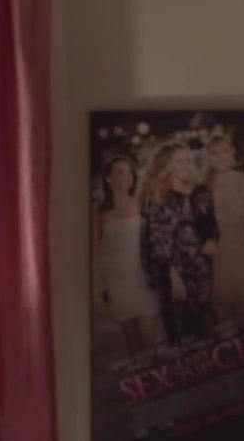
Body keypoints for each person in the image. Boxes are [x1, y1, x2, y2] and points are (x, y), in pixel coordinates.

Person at [139, 141, 218, 346]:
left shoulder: (201, 193)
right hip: (176, 276)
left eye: (188, 160)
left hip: (204, 272)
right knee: (185, 340)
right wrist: (174, 278)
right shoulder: (159, 200)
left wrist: (211, 239)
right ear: (167, 166)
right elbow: (158, 244)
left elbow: (212, 226)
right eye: (179, 161)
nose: (186, 165)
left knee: (207, 334)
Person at [92, 154, 155, 358]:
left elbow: (154, 241)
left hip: (142, 277)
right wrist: (99, 287)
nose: (125, 177)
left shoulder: (142, 203)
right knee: (133, 345)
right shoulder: (100, 213)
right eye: (119, 172)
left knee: (149, 340)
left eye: (129, 172)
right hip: (117, 281)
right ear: (108, 178)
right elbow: (95, 252)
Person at [203, 132, 244, 325]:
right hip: (213, 263)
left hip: (241, 257)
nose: (221, 157)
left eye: (225, 151)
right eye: (215, 153)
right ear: (209, 157)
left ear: (233, 153)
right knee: (221, 317)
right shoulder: (203, 187)